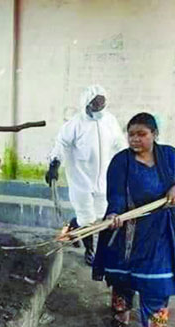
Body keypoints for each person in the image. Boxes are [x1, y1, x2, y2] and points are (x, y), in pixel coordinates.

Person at [92, 112, 175, 327]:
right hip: (128, 228)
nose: (135, 139)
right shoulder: (121, 161)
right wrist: (114, 214)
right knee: (122, 276)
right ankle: (122, 311)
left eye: (142, 134)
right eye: (131, 134)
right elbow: (116, 194)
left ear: (155, 135)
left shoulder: (169, 156)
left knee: (157, 283)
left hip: (160, 229)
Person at [45, 84, 126, 265]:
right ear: (87, 104)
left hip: (103, 178)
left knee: (98, 214)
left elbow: (120, 142)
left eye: (102, 105)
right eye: (96, 105)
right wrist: (54, 164)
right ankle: (90, 251)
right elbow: (61, 143)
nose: (99, 109)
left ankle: (73, 227)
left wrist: (128, 160)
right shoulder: (75, 124)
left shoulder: (109, 121)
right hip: (81, 178)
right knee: (88, 218)